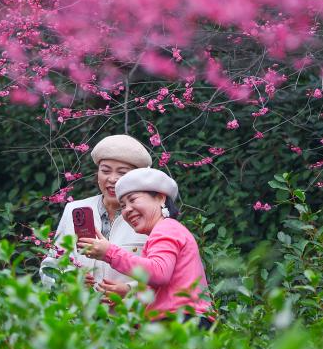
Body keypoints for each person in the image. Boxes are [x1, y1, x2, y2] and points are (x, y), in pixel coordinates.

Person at [78, 167, 214, 326]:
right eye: (123, 205)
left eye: (133, 199)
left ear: (161, 198)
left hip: (181, 322)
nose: (127, 210)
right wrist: (128, 293)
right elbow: (164, 288)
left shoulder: (166, 228)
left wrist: (109, 252)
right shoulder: (167, 229)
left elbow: (159, 272)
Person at [39, 134, 151, 288]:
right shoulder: (74, 210)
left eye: (122, 173)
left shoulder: (150, 216)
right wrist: (67, 280)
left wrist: (130, 290)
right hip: (80, 303)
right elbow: (50, 267)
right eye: (105, 171)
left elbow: (165, 274)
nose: (112, 179)